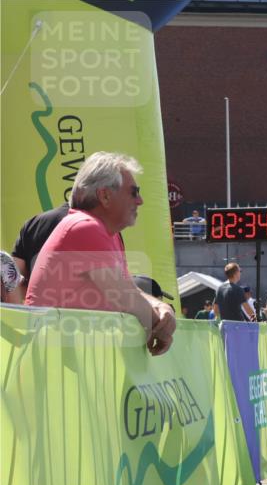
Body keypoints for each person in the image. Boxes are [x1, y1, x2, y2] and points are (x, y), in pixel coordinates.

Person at [25, 152, 175, 355]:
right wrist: (162, 326)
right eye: (134, 192)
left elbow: (130, 290)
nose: (140, 200)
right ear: (104, 196)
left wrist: (161, 308)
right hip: (55, 361)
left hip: (66, 359)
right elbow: (126, 298)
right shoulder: (85, 227)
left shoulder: (105, 232)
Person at [10, 202, 71, 301]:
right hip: (80, 311)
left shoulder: (33, 223)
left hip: (37, 310)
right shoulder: (91, 223)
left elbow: (14, 281)